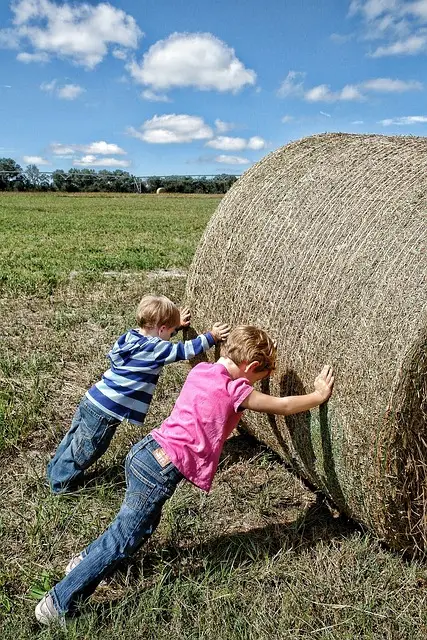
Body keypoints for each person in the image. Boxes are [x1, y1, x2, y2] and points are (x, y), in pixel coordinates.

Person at [36, 325, 334, 625]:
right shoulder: (236, 390)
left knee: (140, 527)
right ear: (252, 367)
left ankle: (85, 561)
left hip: (145, 452)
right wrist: (318, 396)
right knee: (124, 538)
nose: (259, 384)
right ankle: (58, 602)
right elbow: (282, 406)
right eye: (261, 378)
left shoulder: (202, 370)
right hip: (160, 470)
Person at [47, 294, 230, 495]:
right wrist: (211, 336)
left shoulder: (131, 336)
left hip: (93, 398)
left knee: (73, 438)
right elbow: (185, 350)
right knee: (87, 448)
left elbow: (157, 342)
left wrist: (175, 326)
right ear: (161, 329)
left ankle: (55, 470)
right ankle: (61, 485)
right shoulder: (155, 348)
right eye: (170, 332)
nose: (171, 336)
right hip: (107, 411)